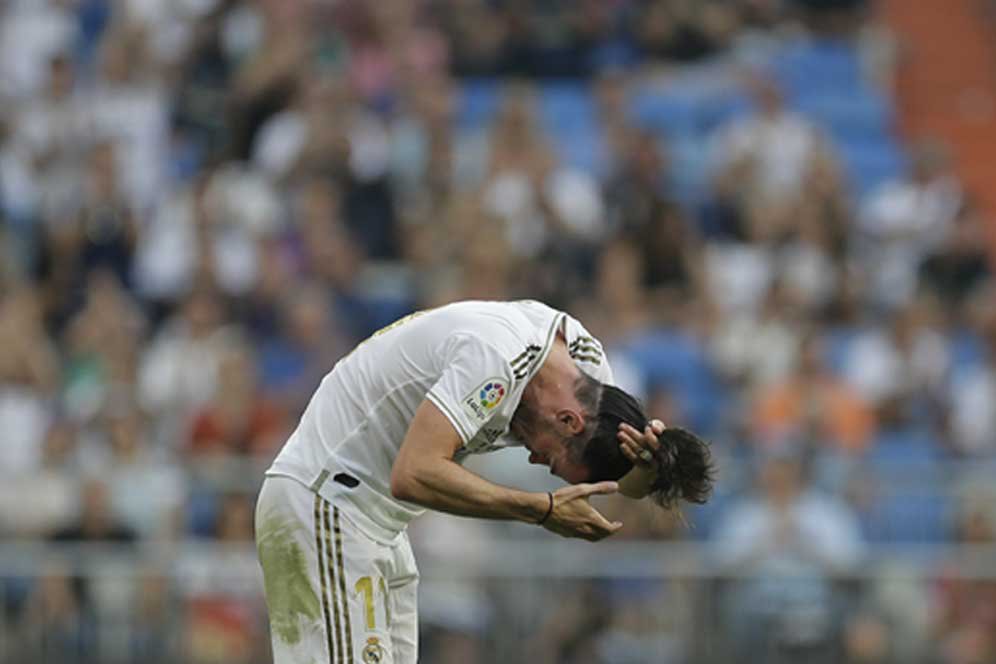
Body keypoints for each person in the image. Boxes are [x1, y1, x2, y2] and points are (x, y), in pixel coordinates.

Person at [255, 299, 713, 664]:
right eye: (550, 458)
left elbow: (621, 488)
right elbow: (413, 473)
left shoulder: (588, 375)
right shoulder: (495, 360)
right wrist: (541, 508)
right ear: (570, 420)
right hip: (325, 503)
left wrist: (651, 468)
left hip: (375, 525)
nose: (534, 457)